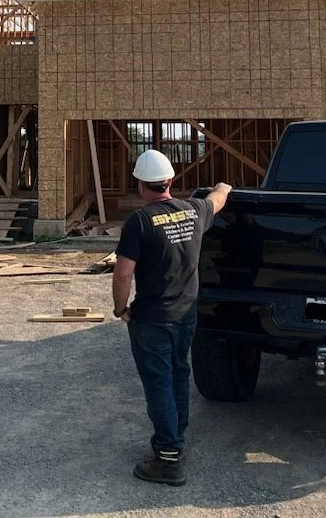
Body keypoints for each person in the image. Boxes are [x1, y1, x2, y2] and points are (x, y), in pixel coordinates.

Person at [112, 149, 231, 486]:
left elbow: (123, 274)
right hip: (186, 314)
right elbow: (217, 200)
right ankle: (176, 436)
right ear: (171, 181)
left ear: (140, 185)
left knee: (159, 382)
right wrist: (224, 186)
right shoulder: (193, 211)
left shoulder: (139, 222)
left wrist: (120, 309)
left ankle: (168, 456)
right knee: (179, 373)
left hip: (152, 319)